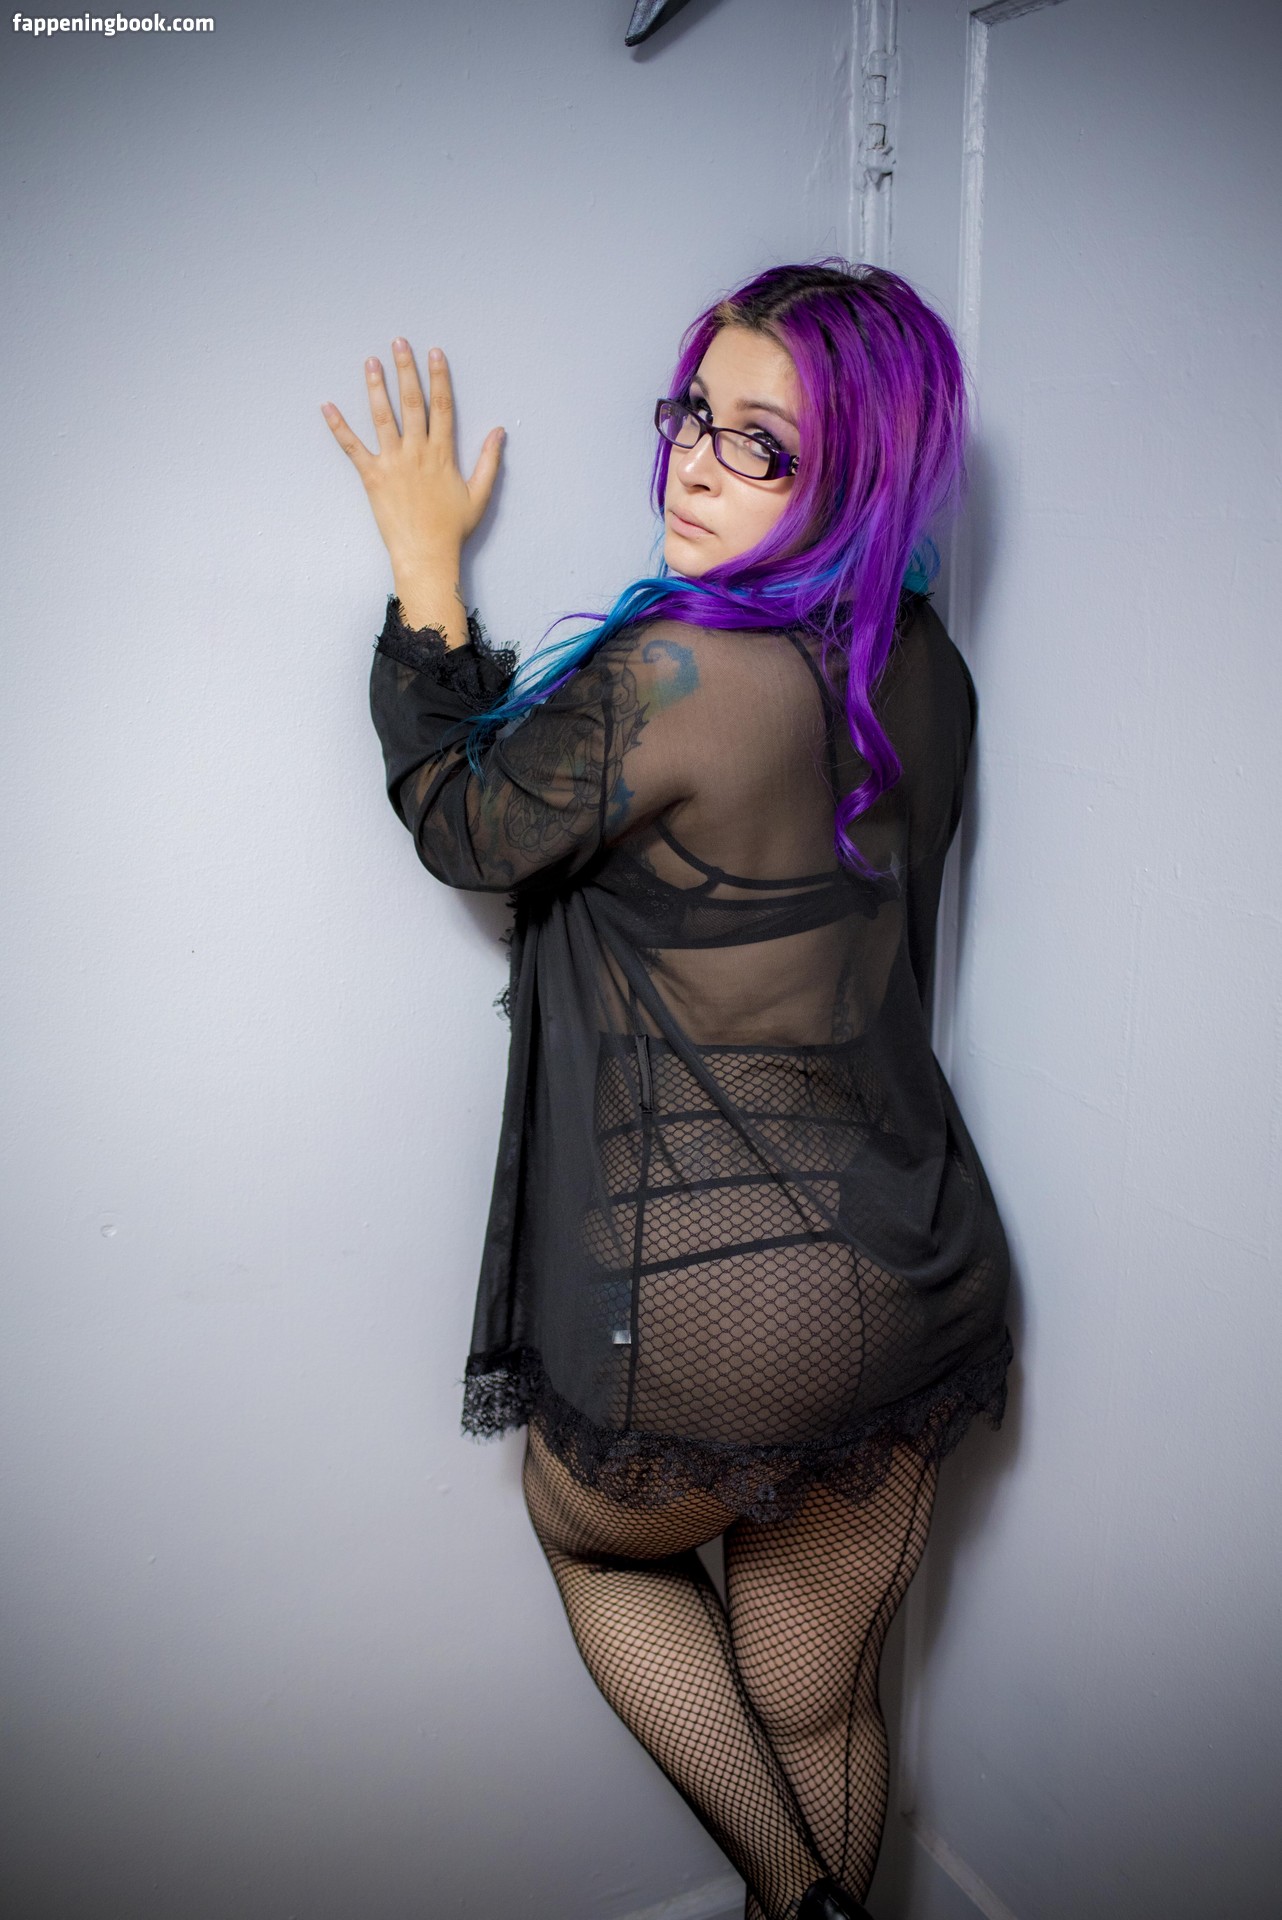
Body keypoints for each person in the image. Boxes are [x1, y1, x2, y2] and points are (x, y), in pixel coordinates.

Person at [322, 261, 1014, 1920]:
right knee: (818, 1701)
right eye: (694, 416)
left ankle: (796, 1899)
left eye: (762, 444)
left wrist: (424, 568)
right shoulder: (924, 670)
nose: (695, 464)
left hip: (715, 1303)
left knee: (590, 1542)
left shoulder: (679, 678)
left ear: (861, 474)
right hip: (914, 1259)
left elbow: (468, 822)